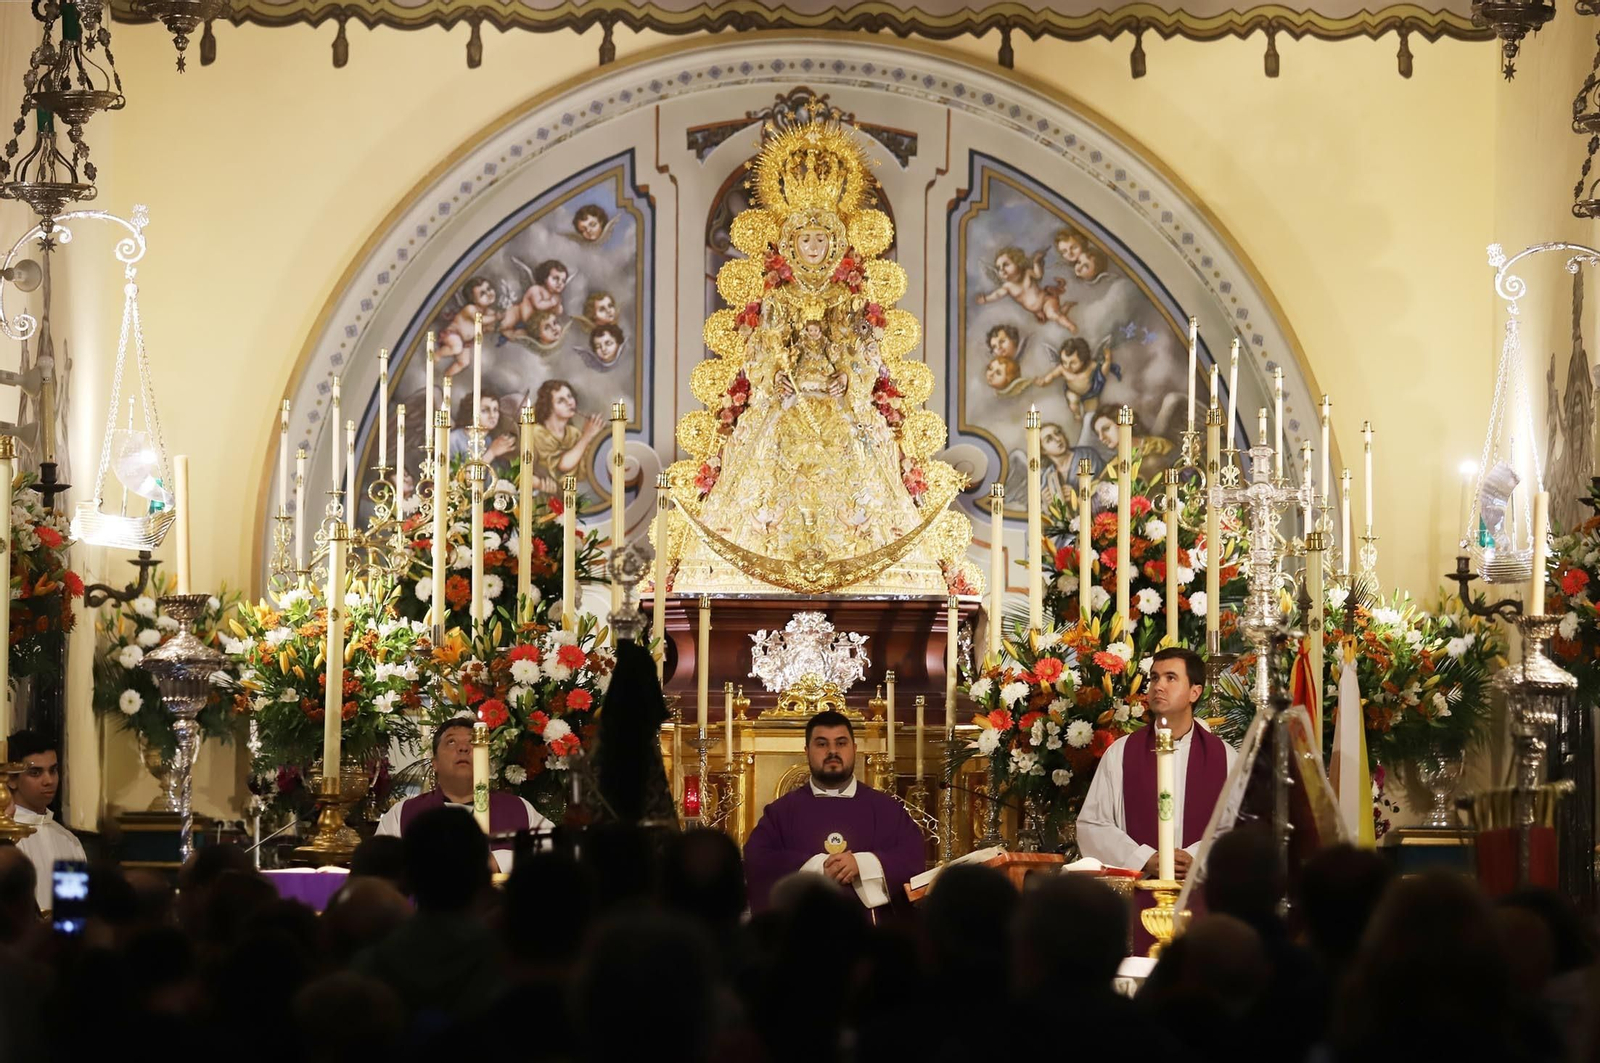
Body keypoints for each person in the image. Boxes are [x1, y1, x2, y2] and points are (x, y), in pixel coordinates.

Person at [743, 710, 926, 915]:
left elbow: (912, 858)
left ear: (854, 749)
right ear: (807, 750)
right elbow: (758, 861)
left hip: (871, 940)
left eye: (841, 743)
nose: (832, 751)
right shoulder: (781, 812)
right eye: (822, 744)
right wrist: (818, 868)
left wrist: (863, 865)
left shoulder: (886, 809)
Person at [1076, 647, 1236, 878]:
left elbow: (1238, 828)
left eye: (1171, 678)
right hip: (1137, 893)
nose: (1158, 686)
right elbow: (1092, 824)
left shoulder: (1225, 757)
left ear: (1195, 692)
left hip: (1200, 895)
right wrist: (1142, 858)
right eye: (1154, 678)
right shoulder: (1121, 754)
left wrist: (1196, 858)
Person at [375, 718, 551, 872]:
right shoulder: (403, 814)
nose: (463, 748)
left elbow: (559, 854)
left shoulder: (518, 809)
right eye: (451, 742)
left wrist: (500, 861)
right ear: (434, 763)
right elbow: (378, 870)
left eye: (473, 742)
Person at [4, 730, 87, 913]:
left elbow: (72, 912)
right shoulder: (5, 836)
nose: (49, 781)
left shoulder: (69, 841)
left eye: (53, 770)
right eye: (35, 773)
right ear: (11, 779)